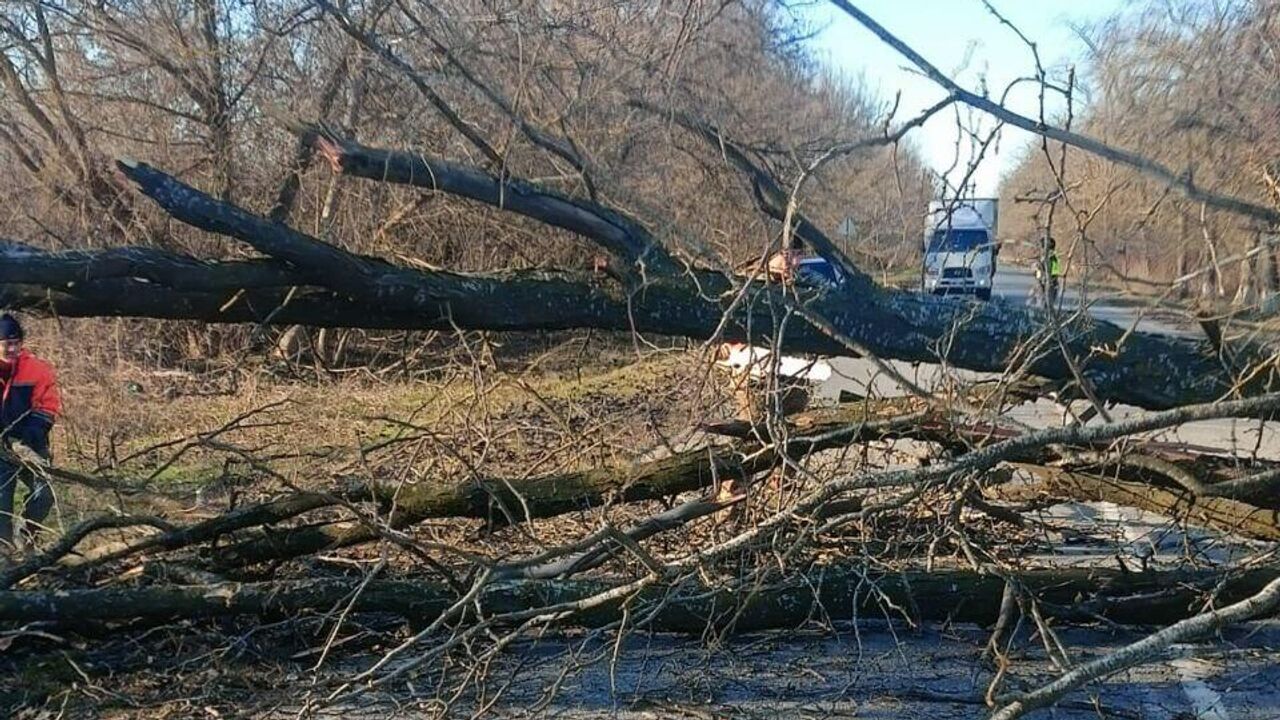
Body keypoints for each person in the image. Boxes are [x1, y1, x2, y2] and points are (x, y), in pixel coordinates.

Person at [0, 313, 61, 551]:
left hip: (31, 443)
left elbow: (48, 405)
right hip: (0, 448)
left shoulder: (37, 370)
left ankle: (27, 536)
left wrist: (33, 432)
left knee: (45, 493)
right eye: (7, 344)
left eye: (17, 342)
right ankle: (4, 549)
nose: (13, 348)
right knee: (2, 499)